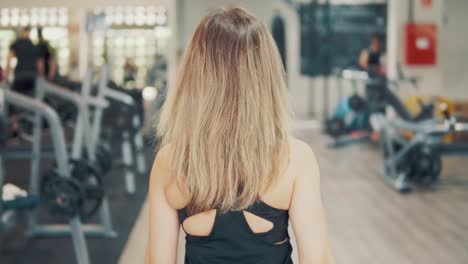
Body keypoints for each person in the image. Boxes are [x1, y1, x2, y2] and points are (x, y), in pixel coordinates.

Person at [145, 8, 334, 264]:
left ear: (194, 77)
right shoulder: (294, 159)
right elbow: (318, 260)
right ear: (266, 78)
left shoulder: (170, 161)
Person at [5, 26, 44, 94]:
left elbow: (9, 60)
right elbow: (40, 64)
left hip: (20, 75)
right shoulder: (34, 45)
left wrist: (6, 77)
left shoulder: (16, 44)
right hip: (32, 76)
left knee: (18, 98)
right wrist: (40, 77)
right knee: (31, 97)